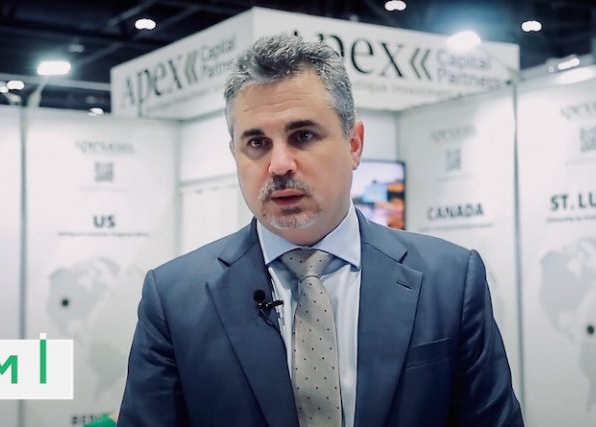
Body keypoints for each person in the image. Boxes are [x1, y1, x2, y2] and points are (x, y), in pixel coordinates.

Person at [118, 33, 523, 427]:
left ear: (354, 144)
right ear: (234, 154)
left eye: (303, 136)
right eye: (257, 143)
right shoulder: (174, 298)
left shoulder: (449, 280)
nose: (279, 165)